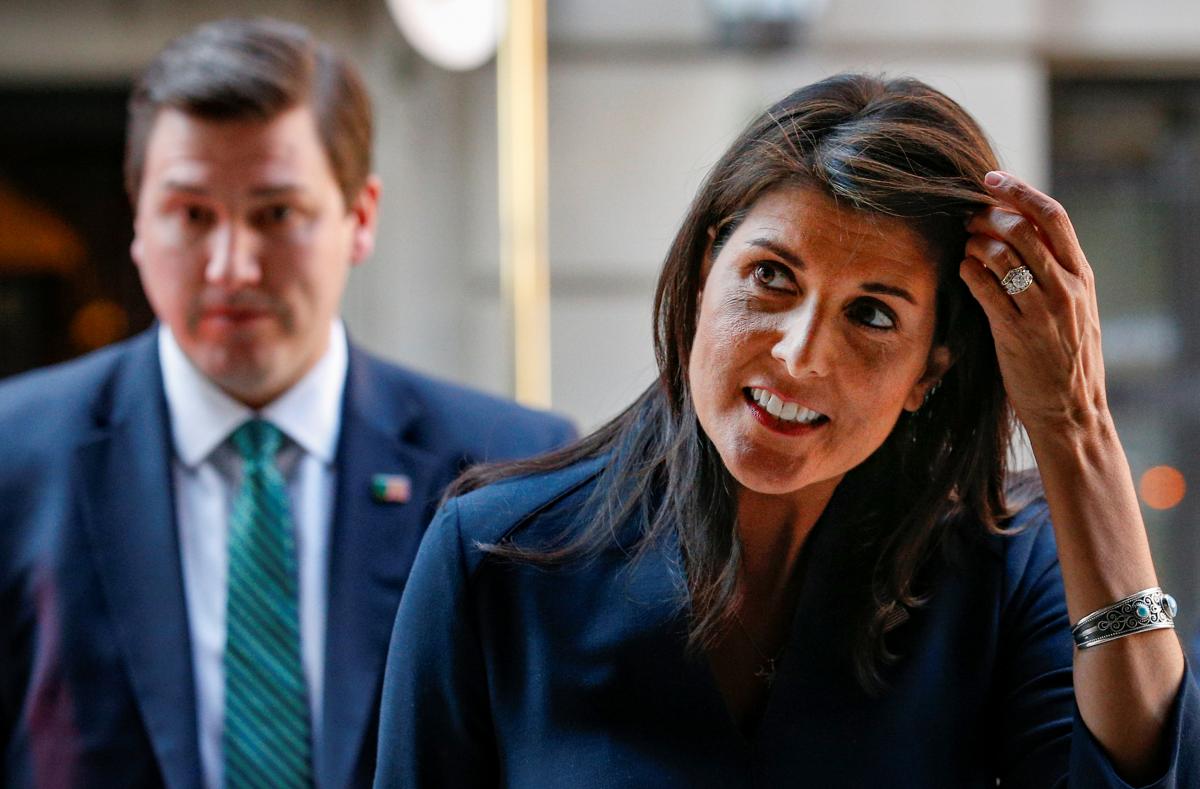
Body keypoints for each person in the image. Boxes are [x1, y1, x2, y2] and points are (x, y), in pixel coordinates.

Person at [375, 74, 1198, 787]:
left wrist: (1074, 423)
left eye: (872, 314)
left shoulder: (1006, 568)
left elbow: (1141, 780)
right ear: (705, 274)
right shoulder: (494, 557)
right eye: (771, 277)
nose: (799, 356)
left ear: (930, 372)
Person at [0, 17, 575, 789]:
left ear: (360, 216)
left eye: (276, 214)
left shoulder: (508, 467)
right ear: (138, 223)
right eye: (192, 216)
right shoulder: (16, 455)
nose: (233, 266)